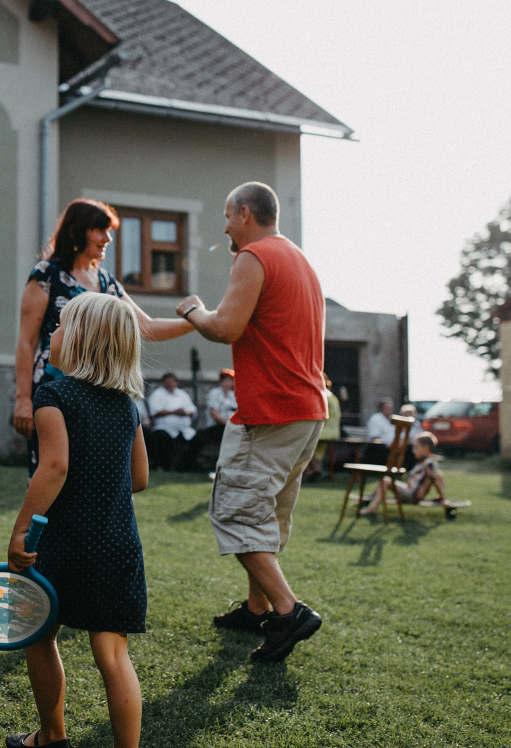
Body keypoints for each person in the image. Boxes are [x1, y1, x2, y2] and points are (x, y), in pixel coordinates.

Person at [175, 180, 328, 663]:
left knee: (236, 513)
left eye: (227, 215)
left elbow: (226, 327)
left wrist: (195, 311)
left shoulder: (255, 256)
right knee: (264, 516)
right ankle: (256, 607)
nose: (224, 226)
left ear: (245, 213)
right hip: (306, 411)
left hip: (269, 413)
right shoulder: (299, 260)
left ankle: (287, 612)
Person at [6, 292, 149, 748]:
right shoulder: (127, 404)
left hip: (64, 544)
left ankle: (51, 737)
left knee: (40, 634)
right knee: (112, 653)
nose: (54, 332)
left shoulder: (54, 394)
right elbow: (140, 478)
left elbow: (54, 468)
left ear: (83, 340)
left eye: (62, 325)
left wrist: (21, 530)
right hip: (117, 543)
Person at [13, 199, 192, 473]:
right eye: (99, 230)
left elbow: (145, 326)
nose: (108, 238)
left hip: (99, 390)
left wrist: (197, 321)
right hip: (53, 388)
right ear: (77, 230)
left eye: (109, 231)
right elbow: (26, 342)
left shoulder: (107, 282)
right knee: (51, 470)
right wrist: (23, 399)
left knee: (91, 475)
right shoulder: (46, 275)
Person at [359, 432, 453, 514]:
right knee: (384, 480)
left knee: (386, 480)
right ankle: (367, 500)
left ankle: (373, 508)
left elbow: (436, 477)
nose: (413, 450)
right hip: (409, 491)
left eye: (416, 447)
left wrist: (443, 499)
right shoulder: (423, 462)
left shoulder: (429, 463)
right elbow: (438, 476)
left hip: (412, 496)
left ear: (426, 448)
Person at [145, 371, 197, 470]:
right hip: (164, 428)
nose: (170, 384)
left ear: (176, 383)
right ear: (163, 383)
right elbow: (155, 413)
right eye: (167, 382)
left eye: (172, 382)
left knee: (197, 440)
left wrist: (184, 413)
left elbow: (192, 411)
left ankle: (184, 466)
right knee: (162, 438)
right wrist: (174, 412)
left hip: (183, 429)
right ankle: (164, 466)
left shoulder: (182, 394)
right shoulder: (158, 394)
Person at [187, 368, 236, 472]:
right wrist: (227, 424)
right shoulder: (215, 393)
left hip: (231, 426)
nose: (229, 383)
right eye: (226, 380)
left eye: (231, 380)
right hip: (217, 426)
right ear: (221, 381)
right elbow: (214, 413)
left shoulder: (233, 396)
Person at [306, 374, 341, 480]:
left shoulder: (322, 395)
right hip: (334, 431)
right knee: (313, 449)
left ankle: (314, 469)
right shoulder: (332, 396)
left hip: (325, 431)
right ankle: (312, 470)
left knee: (302, 444)